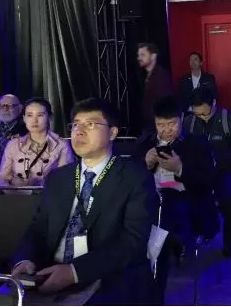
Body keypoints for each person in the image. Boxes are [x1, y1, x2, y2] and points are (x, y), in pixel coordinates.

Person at [11, 98, 157, 305]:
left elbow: (132, 241)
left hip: (105, 276)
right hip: (48, 273)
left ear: (112, 133)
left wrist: (74, 272)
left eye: (90, 124)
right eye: (75, 124)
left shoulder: (134, 178)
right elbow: (38, 228)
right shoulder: (58, 178)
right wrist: (25, 260)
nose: (79, 131)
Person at [143, 95, 219, 303]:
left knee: (163, 227)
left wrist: (180, 168)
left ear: (181, 120)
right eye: (161, 125)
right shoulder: (146, 143)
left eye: (172, 124)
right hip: (151, 200)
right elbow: (130, 179)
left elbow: (209, 182)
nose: (166, 130)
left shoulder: (197, 144)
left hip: (186, 201)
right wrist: (145, 164)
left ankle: (167, 251)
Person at [184, 87, 231, 258]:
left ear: (214, 104)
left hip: (225, 171)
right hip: (200, 173)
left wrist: (216, 159)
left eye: (205, 114)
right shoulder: (189, 122)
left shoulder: (228, 119)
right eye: (197, 114)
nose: (202, 117)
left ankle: (229, 239)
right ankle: (194, 236)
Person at [0, 98, 73, 187]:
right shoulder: (13, 144)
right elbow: (2, 178)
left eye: (40, 115)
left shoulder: (61, 145)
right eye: (29, 115)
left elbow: (65, 179)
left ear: (49, 117)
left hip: (47, 193)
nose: (34, 120)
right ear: (24, 118)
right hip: (15, 193)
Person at [137, 42, 173, 132]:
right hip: (148, 126)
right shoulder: (144, 76)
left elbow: (163, 103)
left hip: (158, 127)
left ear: (153, 56)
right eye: (138, 55)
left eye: (142, 55)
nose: (139, 58)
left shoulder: (161, 75)